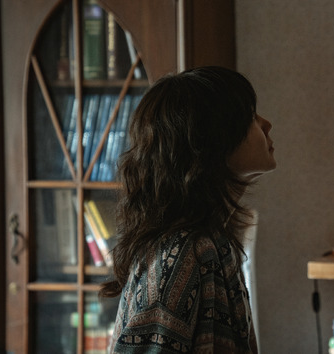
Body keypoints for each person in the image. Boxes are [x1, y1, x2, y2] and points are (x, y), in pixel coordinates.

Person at [100, 66, 276, 353]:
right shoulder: (181, 258)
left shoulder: (212, 241)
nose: (267, 124)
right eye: (250, 117)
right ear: (212, 140)